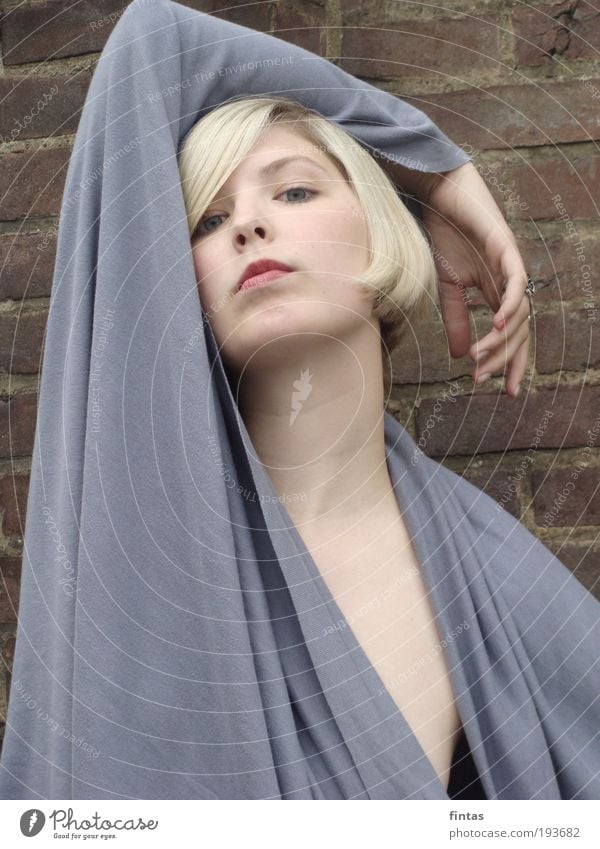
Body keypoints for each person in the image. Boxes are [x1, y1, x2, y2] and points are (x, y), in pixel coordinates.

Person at [1, 0, 598, 802]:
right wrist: (440, 165)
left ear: (382, 227)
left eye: (293, 192)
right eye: (208, 219)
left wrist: (423, 185)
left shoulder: (502, 579)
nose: (247, 224)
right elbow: (153, 39)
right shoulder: (148, 531)